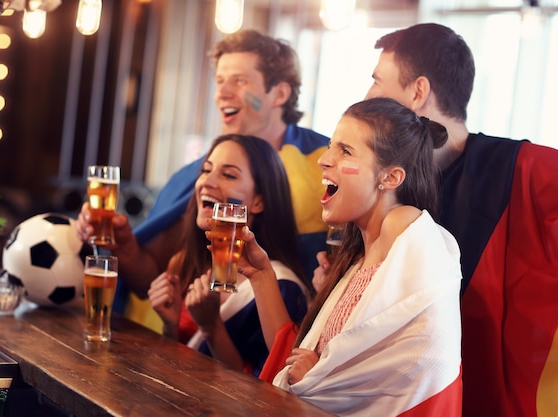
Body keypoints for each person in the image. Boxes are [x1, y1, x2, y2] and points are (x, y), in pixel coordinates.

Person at [364, 23, 558, 417]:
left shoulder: (525, 170)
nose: (367, 97)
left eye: (377, 83)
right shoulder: (386, 188)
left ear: (418, 92)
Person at [75, 30, 328, 324]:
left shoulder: (325, 164)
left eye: (240, 80)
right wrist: (122, 245)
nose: (222, 92)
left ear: (280, 94)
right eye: (220, 80)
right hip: (184, 342)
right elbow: (152, 277)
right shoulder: (194, 176)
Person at [239, 98, 462, 416]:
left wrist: (319, 375)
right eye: (331, 146)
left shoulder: (404, 223)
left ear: (391, 178)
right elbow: (295, 359)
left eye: (345, 151)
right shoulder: (356, 261)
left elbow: (419, 362)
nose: (324, 160)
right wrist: (261, 275)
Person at [147, 134, 311, 377]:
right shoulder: (185, 262)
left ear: (258, 202)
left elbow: (266, 390)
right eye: (206, 170)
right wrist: (170, 326)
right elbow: (175, 366)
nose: (207, 182)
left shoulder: (282, 288)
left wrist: (212, 327)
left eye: (228, 175)